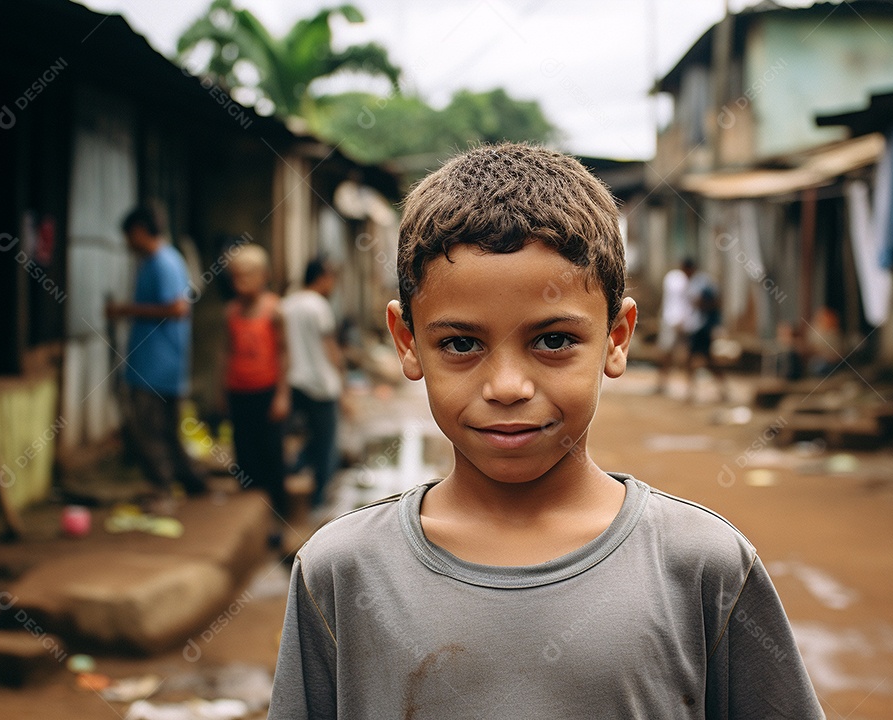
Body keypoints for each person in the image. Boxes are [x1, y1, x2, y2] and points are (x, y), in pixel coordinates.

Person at [269, 144, 822, 718]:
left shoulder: (703, 566)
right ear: (408, 342)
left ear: (617, 337)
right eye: (461, 344)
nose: (507, 386)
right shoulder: (341, 571)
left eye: (553, 341)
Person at [107, 205, 206, 501]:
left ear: (139, 230)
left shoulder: (163, 262)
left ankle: (162, 487)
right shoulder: (158, 261)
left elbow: (177, 308)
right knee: (166, 431)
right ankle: (191, 481)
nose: (127, 243)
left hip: (156, 366)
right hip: (159, 364)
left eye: (128, 235)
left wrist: (125, 310)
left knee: (150, 431)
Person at [221, 244, 291, 522]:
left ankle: (279, 517)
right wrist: (221, 390)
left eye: (247, 276)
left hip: (267, 391)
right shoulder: (231, 312)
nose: (241, 283)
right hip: (239, 392)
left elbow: (284, 353)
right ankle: (253, 518)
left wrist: (282, 395)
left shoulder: (274, 310)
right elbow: (226, 352)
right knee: (244, 453)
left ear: (264, 276)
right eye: (236, 277)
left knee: (271, 455)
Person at [281, 258, 343, 510]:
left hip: (293, 382)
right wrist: (342, 379)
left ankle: (292, 471)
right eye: (331, 279)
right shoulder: (318, 306)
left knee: (299, 436)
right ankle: (319, 501)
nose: (333, 285)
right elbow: (330, 348)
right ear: (321, 278)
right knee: (326, 443)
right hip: (321, 385)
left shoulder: (287, 304)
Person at [682, 259, 727, 402]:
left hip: (703, 328)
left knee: (706, 361)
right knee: (698, 360)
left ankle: (721, 390)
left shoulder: (701, 283)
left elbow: (712, 304)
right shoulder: (696, 282)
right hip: (698, 327)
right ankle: (692, 391)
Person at [655, 257, 693, 394]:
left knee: (675, 354)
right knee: (668, 353)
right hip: (674, 321)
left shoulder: (673, 278)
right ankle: (663, 383)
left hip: (676, 321)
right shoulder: (680, 280)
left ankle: (664, 384)